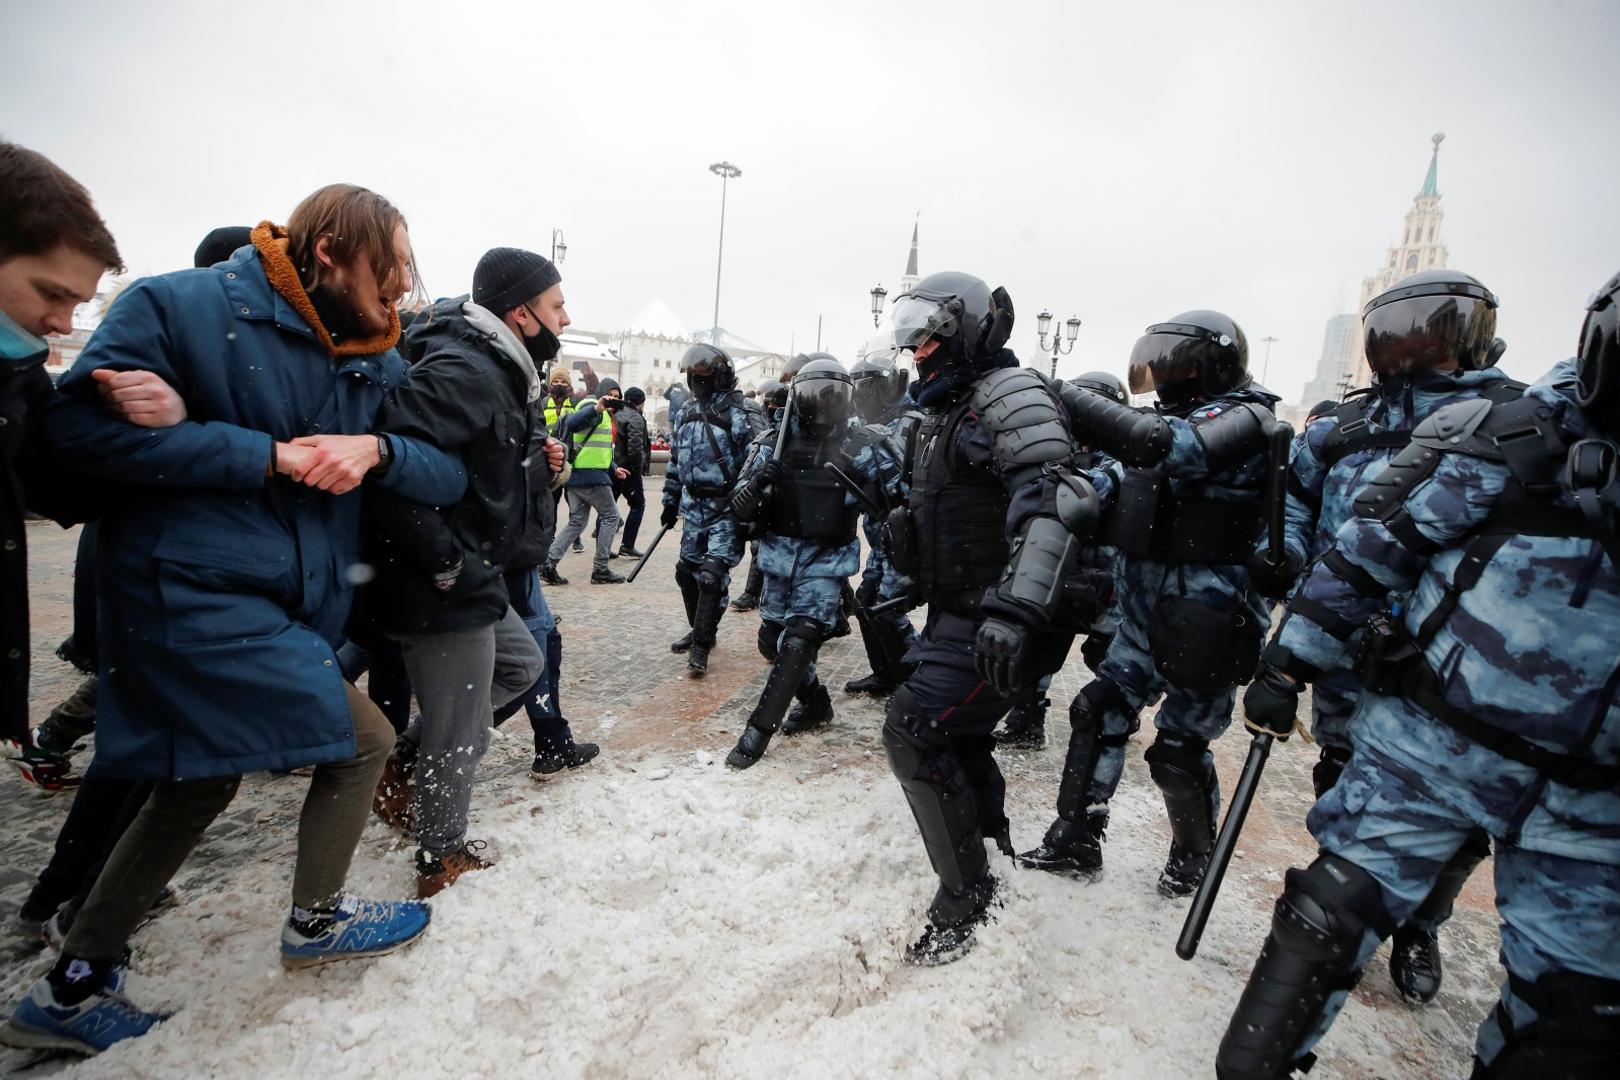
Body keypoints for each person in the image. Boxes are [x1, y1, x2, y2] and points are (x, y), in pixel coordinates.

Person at [6, 185, 464, 1054]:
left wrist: (380, 450)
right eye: (391, 263)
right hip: (190, 593)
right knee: (361, 741)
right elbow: (73, 446)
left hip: (283, 599)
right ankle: (317, 921)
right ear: (329, 250)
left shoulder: (373, 349)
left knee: (195, 780)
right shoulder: (177, 306)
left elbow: (446, 475)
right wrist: (262, 452)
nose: (403, 285)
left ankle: (72, 986)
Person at [1217, 275, 1620, 1080]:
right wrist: (1290, 651)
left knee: (1572, 1026)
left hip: (1592, 800)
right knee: (1327, 904)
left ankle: (1424, 923)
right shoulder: (1507, 435)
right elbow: (1363, 543)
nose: (1412, 350)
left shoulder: (1489, 406)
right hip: (1421, 723)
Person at [1245, 269, 1521, 1004]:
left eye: (1431, 329)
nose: (1410, 345)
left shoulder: (1510, 422)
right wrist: (1292, 563)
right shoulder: (1343, 426)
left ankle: (1422, 924)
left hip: (1449, 667)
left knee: (1459, 828)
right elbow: (1295, 502)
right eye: (1396, 330)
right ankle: (1353, 920)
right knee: (1347, 787)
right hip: (1346, 643)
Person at [873, 271, 1095, 964]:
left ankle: (966, 895)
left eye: (928, 330)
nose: (916, 346)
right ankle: (989, 846)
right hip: (964, 608)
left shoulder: (1008, 394)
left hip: (1003, 616)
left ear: (962, 328)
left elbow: (1055, 499)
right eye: (909, 329)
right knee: (958, 735)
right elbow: (957, 507)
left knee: (914, 727)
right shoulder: (950, 406)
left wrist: (1017, 607)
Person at [1022, 312, 1279, 896]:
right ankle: (1077, 837)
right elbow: (1108, 478)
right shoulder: (1168, 420)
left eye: (1179, 364)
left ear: (1214, 364)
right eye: (1160, 364)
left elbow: (1166, 451)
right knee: (1098, 709)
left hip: (1206, 622)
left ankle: (1193, 854)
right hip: (1141, 618)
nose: (1165, 376)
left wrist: (1059, 391)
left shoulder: (1248, 419)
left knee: (1178, 753)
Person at [362, 246, 552, 897]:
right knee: (462, 726)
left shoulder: (496, 365)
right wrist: (444, 563)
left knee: (521, 666)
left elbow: (474, 477)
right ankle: (438, 855)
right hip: (436, 583)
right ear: (522, 313)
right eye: (556, 305)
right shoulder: (464, 367)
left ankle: (404, 761)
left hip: (473, 573)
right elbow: (389, 473)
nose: (565, 315)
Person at [0, 142, 123, 791]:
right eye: (51, 294)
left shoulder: (17, 376)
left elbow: (61, 485)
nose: (61, 323)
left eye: (78, 305)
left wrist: (131, 423)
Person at [725, 358, 899, 768]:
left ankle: (756, 734)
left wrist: (861, 479)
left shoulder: (864, 443)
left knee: (800, 638)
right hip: (779, 556)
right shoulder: (773, 441)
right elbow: (736, 507)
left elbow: (897, 504)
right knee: (773, 640)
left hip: (828, 559)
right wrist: (759, 482)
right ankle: (817, 704)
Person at [996, 369, 1129, 749]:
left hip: (1109, 580)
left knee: (1109, 660)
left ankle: (1118, 715)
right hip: (1064, 569)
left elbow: (1088, 490)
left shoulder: (1121, 458)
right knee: (1037, 650)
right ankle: (1027, 722)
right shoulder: (1058, 447)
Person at [660, 344, 761, 676]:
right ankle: (699, 627)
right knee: (684, 572)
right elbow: (675, 463)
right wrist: (669, 501)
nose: (695, 381)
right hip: (693, 509)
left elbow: (755, 462)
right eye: (692, 375)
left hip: (725, 509)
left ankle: (702, 645)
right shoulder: (687, 410)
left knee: (711, 575)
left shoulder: (738, 411)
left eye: (701, 374)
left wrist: (751, 509)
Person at [842, 352, 920, 697]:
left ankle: (916, 684)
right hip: (881, 537)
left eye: (867, 387)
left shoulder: (912, 422)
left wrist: (875, 449)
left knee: (889, 611)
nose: (861, 394)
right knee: (864, 603)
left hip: (905, 535)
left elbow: (906, 482)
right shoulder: (867, 423)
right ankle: (886, 674)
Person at [546, 378, 629, 583]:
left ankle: (548, 563)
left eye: (617, 398)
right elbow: (573, 423)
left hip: (579, 475)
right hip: (591, 477)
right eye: (610, 395)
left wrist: (613, 468)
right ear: (601, 393)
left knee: (577, 522)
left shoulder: (605, 415)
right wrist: (597, 408)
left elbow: (594, 446)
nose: (613, 400)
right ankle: (600, 569)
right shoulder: (591, 406)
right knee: (611, 517)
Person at [611, 385, 650, 559]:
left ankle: (603, 547)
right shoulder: (635, 418)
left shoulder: (616, 413)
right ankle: (627, 545)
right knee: (638, 505)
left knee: (609, 508)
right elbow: (635, 448)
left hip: (613, 466)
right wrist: (636, 471)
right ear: (640, 403)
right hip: (627, 470)